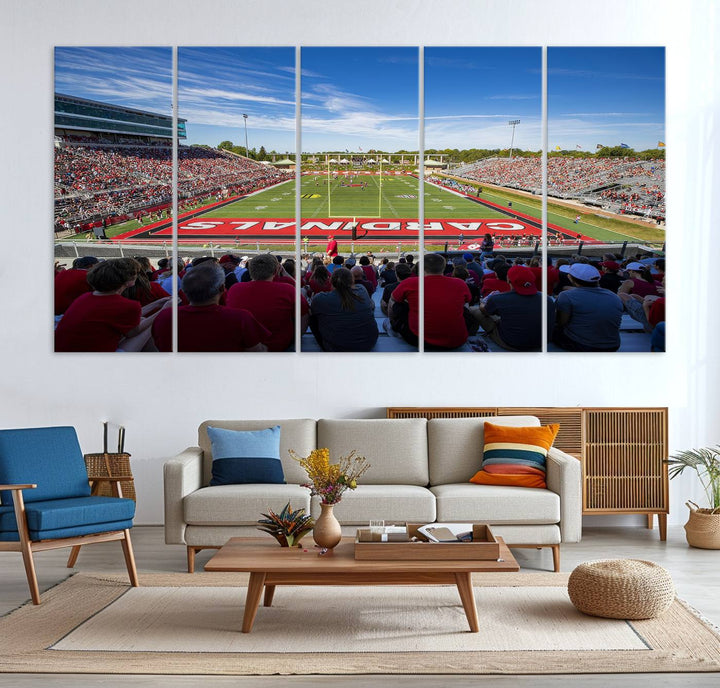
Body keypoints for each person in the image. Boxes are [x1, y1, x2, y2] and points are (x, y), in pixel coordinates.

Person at [56, 258, 166, 352]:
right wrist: (163, 310)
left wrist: (158, 303)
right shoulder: (126, 305)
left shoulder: (85, 298)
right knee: (150, 325)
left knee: (142, 319)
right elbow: (133, 332)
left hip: (66, 350)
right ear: (129, 280)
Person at [152, 263, 269, 352]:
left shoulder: (165, 317)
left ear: (184, 290)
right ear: (222, 288)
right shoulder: (240, 318)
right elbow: (257, 351)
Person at [226, 254, 308, 352]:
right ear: (276, 271)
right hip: (280, 347)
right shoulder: (287, 289)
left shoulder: (235, 289)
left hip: (245, 349)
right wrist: (295, 338)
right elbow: (304, 315)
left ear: (250, 270)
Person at [390, 253, 471, 350]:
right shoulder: (460, 283)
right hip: (456, 340)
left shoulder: (410, 282)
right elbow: (467, 303)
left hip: (418, 340)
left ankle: (391, 323)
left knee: (397, 304)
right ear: (444, 267)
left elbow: (393, 299)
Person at [472, 266, 554, 352]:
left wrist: (482, 304)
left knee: (474, 310)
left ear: (508, 280)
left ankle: (470, 335)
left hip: (511, 343)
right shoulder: (547, 299)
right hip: (540, 344)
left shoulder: (498, 298)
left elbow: (484, 311)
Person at [553, 263, 623, 352]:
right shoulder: (613, 296)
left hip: (582, 345)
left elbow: (561, 322)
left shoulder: (566, 296)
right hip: (613, 345)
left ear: (571, 278)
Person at [309, 267, 378, 352]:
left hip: (336, 348)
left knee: (312, 316)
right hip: (368, 343)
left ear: (331, 281)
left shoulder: (320, 298)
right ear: (352, 281)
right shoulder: (362, 290)